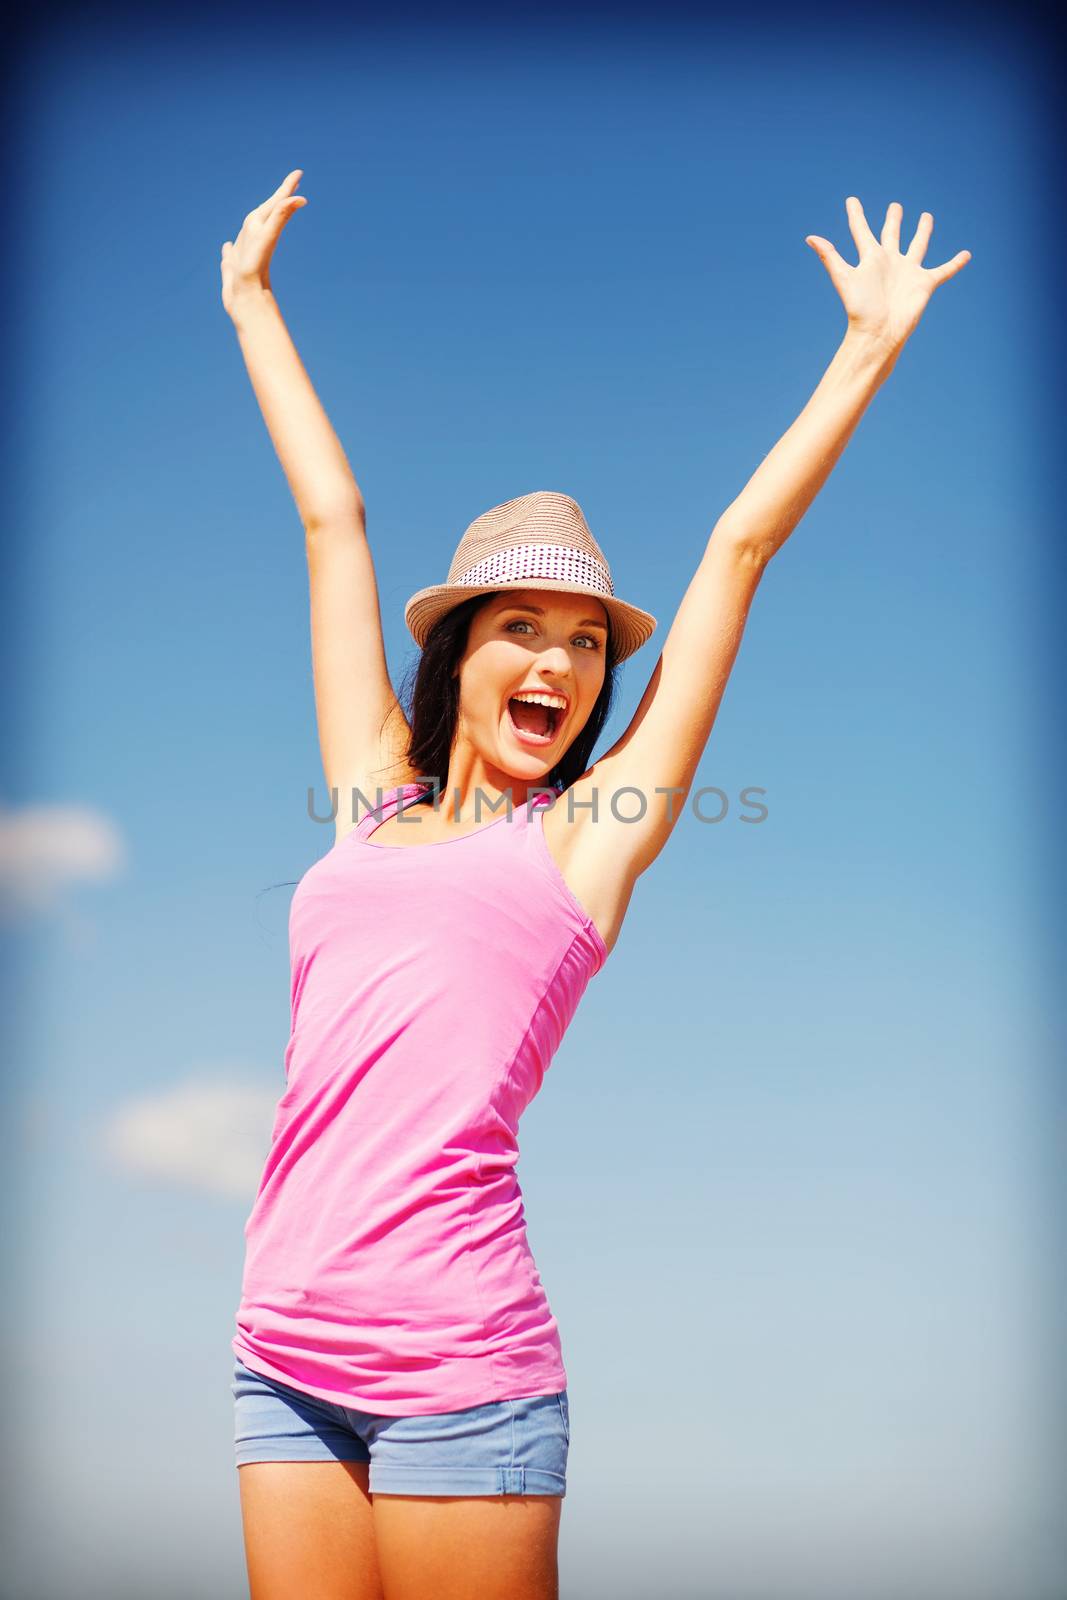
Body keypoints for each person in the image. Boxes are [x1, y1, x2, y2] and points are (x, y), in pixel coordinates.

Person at [219, 172, 970, 1600]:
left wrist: (865, 349)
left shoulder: (589, 838)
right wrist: (252, 305)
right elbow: (333, 520)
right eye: (523, 629)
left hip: (461, 1364)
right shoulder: (371, 793)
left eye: (584, 641)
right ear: (460, 653)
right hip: (280, 1349)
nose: (560, 666)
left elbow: (737, 555)